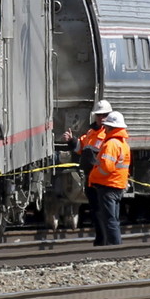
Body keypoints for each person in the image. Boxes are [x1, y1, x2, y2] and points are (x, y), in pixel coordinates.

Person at [62, 99, 112, 245]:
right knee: (96, 211)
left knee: (103, 211)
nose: (101, 118)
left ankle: (105, 241)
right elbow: (81, 148)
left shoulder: (108, 133)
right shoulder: (91, 132)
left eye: (104, 115)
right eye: (98, 115)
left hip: (103, 179)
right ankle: (101, 239)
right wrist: (72, 141)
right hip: (91, 178)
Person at [89, 111, 131, 246]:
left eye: (106, 126)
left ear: (110, 128)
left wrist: (94, 175)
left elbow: (106, 167)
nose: (104, 129)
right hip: (118, 185)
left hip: (108, 185)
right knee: (114, 219)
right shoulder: (123, 144)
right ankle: (115, 245)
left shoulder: (111, 144)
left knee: (109, 219)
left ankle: (114, 247)